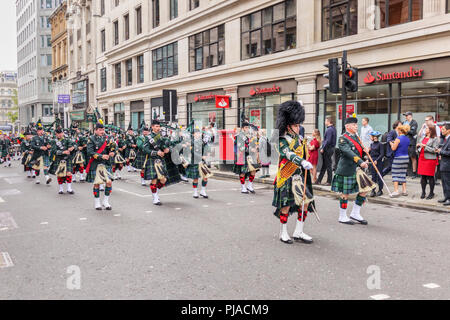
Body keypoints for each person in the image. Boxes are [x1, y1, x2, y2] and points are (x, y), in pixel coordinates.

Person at [272, 100, 314, 244]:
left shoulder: (299, 139)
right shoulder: (280, 139)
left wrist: (306, 149)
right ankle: (283, 231)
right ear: (288, 125)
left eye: (298, 124)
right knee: (286, 206)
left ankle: (299, 231)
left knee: (305, 202)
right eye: (296, 125)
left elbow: (304, 154)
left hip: (298, 177)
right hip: (286, 176)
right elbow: (287, 154)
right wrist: (301, 161)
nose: (298, 127)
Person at [331, 116, 370, 225]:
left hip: (357, 169)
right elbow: (349, 152)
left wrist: (366, 157)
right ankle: (342, 216)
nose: (356, 126)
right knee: (345, 193)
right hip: (346, 169)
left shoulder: (357, 137)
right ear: (347, 126)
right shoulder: (343, 138)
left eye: (356, 125)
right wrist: (360, 161)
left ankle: (355, 213)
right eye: (354, 125)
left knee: (365, 189)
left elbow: (359, 152)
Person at [86, 121, 115, 210]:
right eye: (100, 130)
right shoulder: (91, 139)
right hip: (96, 164)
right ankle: (97, 202)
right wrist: (101, 156)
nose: (102, 131)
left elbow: (113, 147)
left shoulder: (108, 138)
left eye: (103, 129)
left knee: (109, 182)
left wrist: (112, 152)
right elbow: (90, 152)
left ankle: (105, 201)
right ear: (96, 130)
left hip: (106, 164)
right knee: (97, 184)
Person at [185, 128, 211, 199]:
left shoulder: (202, 141)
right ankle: (195, 192)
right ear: (193, 134)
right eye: (197, 133)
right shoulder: (191, 142)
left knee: (205, 177)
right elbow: (192, 152)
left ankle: (203, 191)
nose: (198, 134)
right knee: (195, 178)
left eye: (199, 133)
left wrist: (206, 154)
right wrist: (201, 157)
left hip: (202, 162)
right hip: (194, 162)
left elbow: (207, 148)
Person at [49, 127, 76, 194]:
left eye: (61, 133)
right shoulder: (53, 141)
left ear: (63, 133)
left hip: (67, 159)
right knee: (60, 174)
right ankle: (60, 189)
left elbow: (75, 145)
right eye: (58, 133)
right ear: (56, 134)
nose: (60, 135)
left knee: (69, 173)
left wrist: (73, 148)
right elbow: (54, 151)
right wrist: (63, 152)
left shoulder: (68, 140)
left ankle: (69, 188)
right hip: (58, 159)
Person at [232, 122, 257, 194]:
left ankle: (249, 185)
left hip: (250, 156)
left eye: (248, 127)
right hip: (242, 156)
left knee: (253, 170)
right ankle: (243, 187)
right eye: (246, 127)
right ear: (242, 128)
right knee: (243, 171)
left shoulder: (249, 135)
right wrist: (250, 149)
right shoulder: (239, 136)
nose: (247, 129)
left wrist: (255, 147)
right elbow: (240, 147)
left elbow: (252, 143)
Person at [417, 125, 439, 200]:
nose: (425, 129)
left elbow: (435, 150)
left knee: (430, 177)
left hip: (430, 160)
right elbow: (419, 148)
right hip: (422, 158)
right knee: (422, 176)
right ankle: (423, 192)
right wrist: (418, 147)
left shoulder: (435, 139)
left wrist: (424, 146)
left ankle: (431, 192)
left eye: (426, 128)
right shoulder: (422, 137)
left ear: (430, 130)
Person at [390, 124, 410, 197]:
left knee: (395, 173)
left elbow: (393, 148)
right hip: (406, 157)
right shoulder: (407, 139)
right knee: (403, 173)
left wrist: (391, 144)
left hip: (398, 157)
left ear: (400, 131)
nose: (397, 131)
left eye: (398, 130)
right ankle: (404, 191)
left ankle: (396, 191)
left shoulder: (398, 139)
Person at [30, 121, 52, 185]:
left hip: (45, 154)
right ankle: (37, 178)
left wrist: (49, 146)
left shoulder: (46, 137)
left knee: (45, 166)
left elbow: (49, 144)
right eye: (40, 130)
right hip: (37, 155)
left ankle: (47, 178)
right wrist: (40, 147)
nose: (41, 131)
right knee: (37, 168)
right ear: (37, 131)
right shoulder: (34, 138)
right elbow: (32, 146)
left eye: (42, 130)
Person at [317, 116, 336, 186]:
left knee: (328, 165)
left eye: (325, 121)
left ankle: (329, 181)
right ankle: (319, 180)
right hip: (330, 148)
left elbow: (328, 140)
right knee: (324, 165)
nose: (325, 122)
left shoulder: (329, 130)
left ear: (328, 121)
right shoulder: (332, 129)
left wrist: (323, 148)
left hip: (328, 149)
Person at [436, 123, 450, 206]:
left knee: (448, 182)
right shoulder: (446, 139)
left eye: (443, 129)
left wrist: (440, 152)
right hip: (444, 164)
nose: (441, 131)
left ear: (448, 130)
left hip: (448, 165)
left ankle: (449, 198)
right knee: (444, 182)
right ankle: (446, 197)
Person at [368, 131, 384, 197]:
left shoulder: (380, 144)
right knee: (373, 176)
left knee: (379, 176)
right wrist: (368, 159)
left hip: (378, 161)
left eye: (371, 136)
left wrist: (377, 160)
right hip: (372, 161)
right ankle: (373, 190)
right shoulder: (371, 144)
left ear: (375, 137)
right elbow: (371, 154)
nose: (370, 137)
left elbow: (382, 154)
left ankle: (380, 190)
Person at [403, 112, 418, 178]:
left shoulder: (414, 122)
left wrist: (405, 129)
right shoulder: (404, 122)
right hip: (405, 142)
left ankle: (414, 172)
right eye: (405, 116)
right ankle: (405, 172)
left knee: (413, 157)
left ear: (410, 116)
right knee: (405, 157)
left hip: (411, 143)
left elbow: (412, 132)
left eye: (406, 115)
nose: (406, 117)